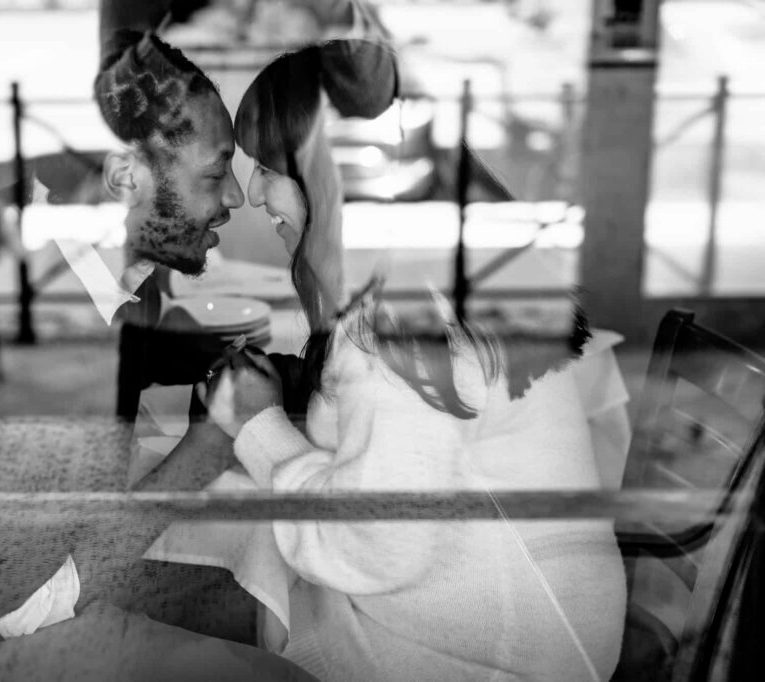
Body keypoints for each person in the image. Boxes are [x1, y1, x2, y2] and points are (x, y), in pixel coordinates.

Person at [0, 29, 316, 682]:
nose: (236, 198)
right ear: (124, 176)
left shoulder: (60, 245)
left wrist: (199, 357)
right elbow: (33, 604)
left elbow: (122, 348)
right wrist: (208, 446)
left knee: (245, 607)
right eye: (215, 175)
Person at [169, 40, 627, 682]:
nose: (251, 194)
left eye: (268, 169)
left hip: (493, 661)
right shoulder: (439, 277)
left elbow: (371, 545)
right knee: (220, 561)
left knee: (176, 599)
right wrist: (304, 389)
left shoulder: (399, 327)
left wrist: (258, 427)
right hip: (514, 628)